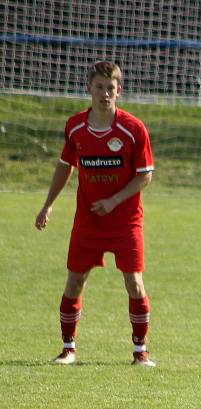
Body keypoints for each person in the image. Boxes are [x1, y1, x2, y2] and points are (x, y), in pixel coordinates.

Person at [34, 61, 156, 367]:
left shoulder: (132, 129)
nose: (105, 93)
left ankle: (140, 352)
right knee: (75, 282)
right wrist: (48, 205)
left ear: (119, 91)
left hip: (126, 221)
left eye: (110, 88)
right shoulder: (75, 126)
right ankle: (68, 348)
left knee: (135, 284)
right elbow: (65, 166)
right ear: (89, 88)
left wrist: (114, 201)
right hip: (88, 221)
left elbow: (145, 175)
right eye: (99, 87)